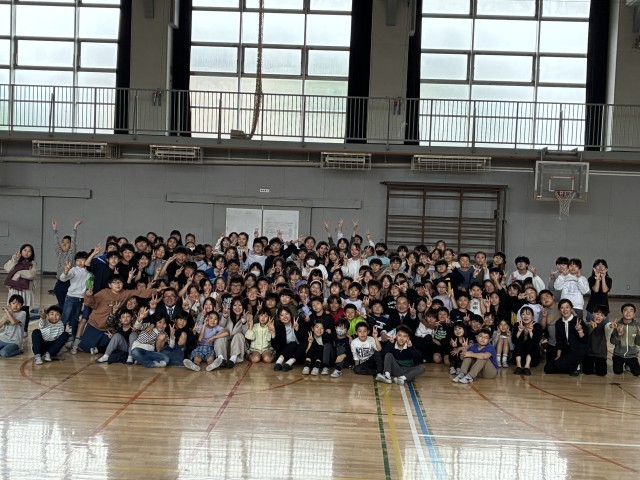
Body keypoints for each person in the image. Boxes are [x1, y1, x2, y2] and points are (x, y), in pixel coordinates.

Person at [543, 299, 587, 376]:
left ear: (571, 308)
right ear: (560, 310)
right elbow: (559, 341)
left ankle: (576, 366)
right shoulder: (559, 323)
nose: (565, 310)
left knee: (559, 364)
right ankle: (572, 367)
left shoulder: (578, 320)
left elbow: (585, 340)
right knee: (547, 369)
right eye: (562, 308)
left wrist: (580, 330)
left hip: (577, 350)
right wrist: (558, 356)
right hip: (565, 351)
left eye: (567, 307)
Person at [3, 244, 37, 336]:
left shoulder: (33, 263)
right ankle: (12, 329)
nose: (27, 252)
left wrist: (19, 273)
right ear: (21, 251)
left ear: (32, 253)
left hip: (26, 290)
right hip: (14, 289)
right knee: (13, 309)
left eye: (29, 251)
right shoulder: (15, 260)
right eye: (25, 250)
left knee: (25, 310)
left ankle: (24, 330)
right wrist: (14, 259)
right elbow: (7, 268)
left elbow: (31, 274)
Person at [59, 251, 92, 339]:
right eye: (78, 260)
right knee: (65, 317)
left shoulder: (89, 272)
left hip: (80, 299)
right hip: (70, 297)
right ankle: (59, 334)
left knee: (75, 318)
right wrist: (66, 271)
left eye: (82, 260)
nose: (80, 262)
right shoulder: (73, 270)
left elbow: (89, 285)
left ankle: (73, 335)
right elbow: (63, 279)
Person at [51, 218, 82, 308]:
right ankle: (61, 312)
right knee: (61, 304)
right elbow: (55, 242)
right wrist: (55, 229)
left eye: (67, 242)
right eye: (63, 242)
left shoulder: (71, 253)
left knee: (69, 304)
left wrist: (75, 228)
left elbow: (73, 241)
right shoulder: (59, 253)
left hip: (70, 282)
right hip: (60, 282)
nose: (64, 244)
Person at [610, 303, 640, 376]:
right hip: (618, 354)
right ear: (622, 312)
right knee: (617, 371)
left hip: (632, 355)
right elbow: (613, 341)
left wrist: (639, 335)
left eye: (631, 311)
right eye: (626, 310)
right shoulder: (616, 324)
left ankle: (628, 364)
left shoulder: (637, 325)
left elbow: (638, 343)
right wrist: (618, 334)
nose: (628, 313)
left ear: (634, 314)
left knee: (637, 372)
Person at [511, 306, 543, 375]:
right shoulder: (517, 325)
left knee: (530, 342)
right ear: (521, 316)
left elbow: (535, 343)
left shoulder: (537, 326)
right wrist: (519, 331)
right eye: (523, 314)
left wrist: (530, 332)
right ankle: (518, 367)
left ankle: (527, 367)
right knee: (519, 341)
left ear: (532, 316)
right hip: (519, 357)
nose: (525, 316)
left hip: (532, 358)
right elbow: (514, 341)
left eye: (528, 314)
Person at [583, 305, 609, 376]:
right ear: (593, 314)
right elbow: (586, 334)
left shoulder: (605, 326)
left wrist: (611, 326)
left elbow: (608, 327)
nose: (599, 316)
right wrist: (591, 327)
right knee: (587, 371)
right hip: (589, 353)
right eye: (597, 314)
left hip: (600, 354)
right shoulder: (588, 324)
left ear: (604, 317)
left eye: (601, 315)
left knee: (601, 373)